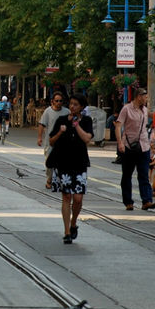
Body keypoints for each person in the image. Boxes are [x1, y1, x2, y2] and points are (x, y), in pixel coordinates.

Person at [46, 94, 93, 243]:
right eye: (71, 104)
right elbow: (51, 141)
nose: (72, 107)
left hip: (79, 163)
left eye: (76, 105)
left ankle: (73, 224)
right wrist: (61, 131)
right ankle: (66, 231)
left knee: (78, 198)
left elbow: (87, 138)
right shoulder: (61, 120)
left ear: (81, 107)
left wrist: (76, 125)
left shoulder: (86, 121)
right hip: (63, 163)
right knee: (66, 196)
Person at [115, 88, 155, 211]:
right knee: (127, 175)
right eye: (145, 97)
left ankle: (147, 201)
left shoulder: (144, 110)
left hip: (143, 146)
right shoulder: (126, 109)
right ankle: (128, 202)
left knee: (143, 174)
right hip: (129, 146)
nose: (146, 99)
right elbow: (118, 126)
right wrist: (120, 143)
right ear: (139, 97)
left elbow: (153, 116)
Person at [38, 93, 69, 190]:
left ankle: (61, 181)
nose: (59, 103)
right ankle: (49, 179)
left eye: (60, 101)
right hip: (50, 142)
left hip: (63, 143)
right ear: (52, 101)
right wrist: (40, 137)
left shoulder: (67, 112)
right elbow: (42, 124)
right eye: (57, 101)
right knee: (49, 163)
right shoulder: (48, 111)